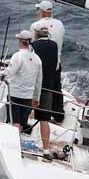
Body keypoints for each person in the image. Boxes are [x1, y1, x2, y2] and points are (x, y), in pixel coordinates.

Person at [30, 0, 65, 123]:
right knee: (56, 87)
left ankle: (37, 111)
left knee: (40, 88)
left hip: (41, 62)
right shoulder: (60, 24)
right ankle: (59, 115)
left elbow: (32, 45)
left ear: (42, 12)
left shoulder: (36, 25)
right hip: (56, 62)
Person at [5, 30, 42, 134]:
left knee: (14, 123)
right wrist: (36, 98)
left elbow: (9, 73)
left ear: (21, 41)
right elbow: (39, 82)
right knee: (21, 123)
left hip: (15, 94)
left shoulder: (17, 56)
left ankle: (12, 144)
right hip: (28, 97)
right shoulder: (37, 59)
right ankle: (18, 141)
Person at [30, 26, 59, 159]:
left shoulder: (34, 45)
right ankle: (46, 150)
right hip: (49, 86)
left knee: (23, 114)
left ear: (36, 34)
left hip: (35, 85)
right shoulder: (54, 45)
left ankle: (16, 144)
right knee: (44, 119)